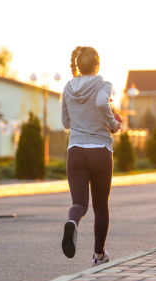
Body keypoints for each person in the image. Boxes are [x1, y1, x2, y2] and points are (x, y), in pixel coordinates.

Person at [61, 46, 121, 267]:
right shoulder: (104, 85)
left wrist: (81, 117)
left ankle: (72, 221)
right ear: (98, 64)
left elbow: (66, 123)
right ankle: (98, 256)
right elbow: (100, 103)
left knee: (79, 203)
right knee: (101, 205)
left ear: (77, 65)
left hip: (75, 151)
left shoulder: (67, 87)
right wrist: (112, 123)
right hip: (100, 151)